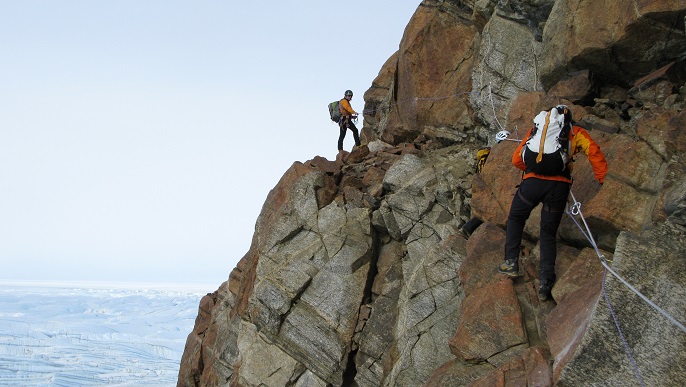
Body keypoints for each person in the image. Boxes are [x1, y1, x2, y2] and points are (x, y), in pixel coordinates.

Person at [497, 105, 608, 301]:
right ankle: (545, 284)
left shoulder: (537, 129)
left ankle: (511, 262)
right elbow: (594, 152)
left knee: (516, 218)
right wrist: (602, 178)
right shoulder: (575, 132)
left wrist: (532, 169)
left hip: (531, 184)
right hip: (559, 187)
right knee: (547, 232)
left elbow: (517, 159)